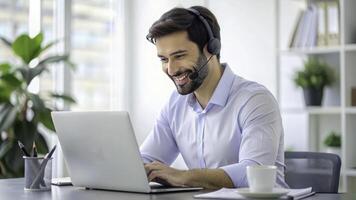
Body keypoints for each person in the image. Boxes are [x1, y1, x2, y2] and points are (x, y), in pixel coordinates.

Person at [141, 5, 288, 189]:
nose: (170, 69)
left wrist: (184, 177)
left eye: (179, 56)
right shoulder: (175, 104)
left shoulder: (255, 100)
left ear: (211, 48)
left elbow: (252, 173)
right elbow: (143, 161)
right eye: (163, 59)